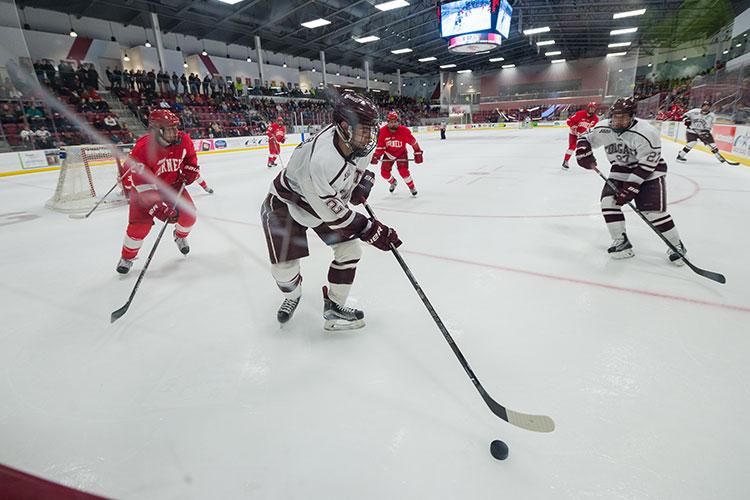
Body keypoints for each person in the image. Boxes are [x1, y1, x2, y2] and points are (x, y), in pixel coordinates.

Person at [260, 93, 401, 330]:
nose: (369, 136)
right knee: (284, 271)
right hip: (287, 203)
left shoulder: (358, 143)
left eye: (371, 129)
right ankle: (292, 295)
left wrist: (361, 183)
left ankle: (334, 307)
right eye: (364, 129)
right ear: (345, 127)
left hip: (321, 202)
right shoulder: (321, 162)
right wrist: (370, 229)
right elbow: (335, 216)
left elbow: (358, 172)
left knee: (350, 250)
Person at [576, 97, 687, 264]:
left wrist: (632, 186)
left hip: (649, 173)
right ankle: (622, 242)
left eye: (624, 117)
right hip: (620, 170)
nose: (618, 121)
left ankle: (677, 245)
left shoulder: (646, 132)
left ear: (632, 116)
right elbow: (585, 137)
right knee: (608, 203)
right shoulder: (603, 128)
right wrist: (582, 149)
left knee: (652, 213)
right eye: (615, 116)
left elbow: (648, 163)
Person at [116, 109, 201, 274]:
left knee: (189, 215)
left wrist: (191, 168)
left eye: (176, 127)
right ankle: (127, 257)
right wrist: (158, 207)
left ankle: (180, 236)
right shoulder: (142, 149)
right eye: (170, 128)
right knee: (139, 227)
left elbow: (190, 157)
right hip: (143, 191)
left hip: (172, 185)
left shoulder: (184, 140)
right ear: (156, 131)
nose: (176, 132)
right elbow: (143, 184)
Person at [371, 111, 423, 197]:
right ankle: (393, 182)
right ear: (387, 122)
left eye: (395, 122)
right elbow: (380, 147)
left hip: (401, 153)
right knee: (384, 173)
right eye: (391, 122)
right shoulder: (382, 132)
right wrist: (377, 155)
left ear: (398, 122)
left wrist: (417, 151)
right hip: (388, 154)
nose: (393, 124)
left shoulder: (404, 131)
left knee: (403, 171)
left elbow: (413, 142)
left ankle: (412, 187)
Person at [563, 102, 598, 170]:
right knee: (572, 147)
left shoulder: (595, 119)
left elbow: (592, 127)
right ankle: (565, 161)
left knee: (587, 146)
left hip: (582, 135)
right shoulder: (580, 114)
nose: (592, 110)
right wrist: (573, 126)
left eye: (593, 109)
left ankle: (589, 161)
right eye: (590, 108)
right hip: (574, 133)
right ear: (587, 108)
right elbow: (569, 121)